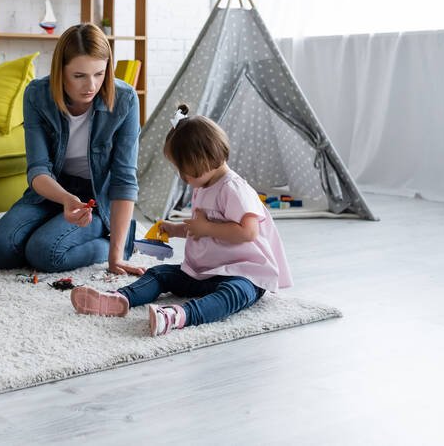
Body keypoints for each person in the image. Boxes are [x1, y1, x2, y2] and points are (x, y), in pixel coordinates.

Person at [70, 103, 292, 336]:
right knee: (159, 273)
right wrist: (176, 229)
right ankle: (118, 298)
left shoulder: (234, 188)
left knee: (232, 294)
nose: (182, 177)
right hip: (206, 272)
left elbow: (248, 232)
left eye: (183, 170)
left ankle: (180, 316)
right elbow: (201, 228)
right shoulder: (205, 185)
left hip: (244, 274)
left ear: (202, 161)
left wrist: (206, 227)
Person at [0, 23, 143, 274]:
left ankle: (119, 242)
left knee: (44, 252)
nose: (91, 85)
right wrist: (66, 199)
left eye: (99, 74)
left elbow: (124, 180)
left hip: (95, 199)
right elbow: (38, 170)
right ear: (61, 71)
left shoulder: (125, 100)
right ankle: (56, 228)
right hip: (52, 191)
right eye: (79, 76)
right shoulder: (37, 95)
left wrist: (115, 258)